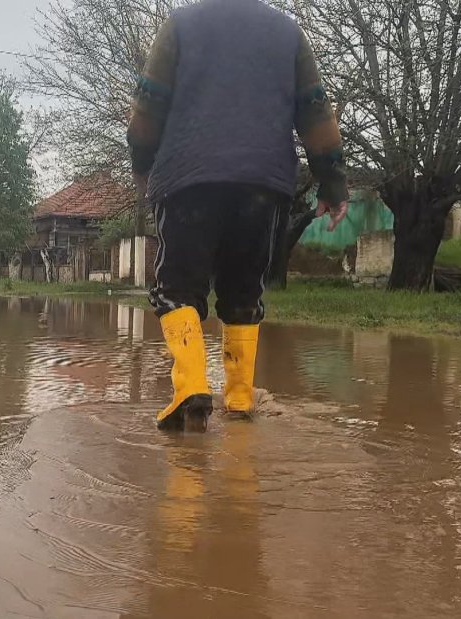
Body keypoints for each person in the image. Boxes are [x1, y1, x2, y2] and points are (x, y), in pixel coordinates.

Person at [128, 0, 348, 432]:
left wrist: (141, 162)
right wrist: (332, 183)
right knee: (245, 291)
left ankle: (191, 387)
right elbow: (316, 109)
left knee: (177, 288)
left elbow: (149, 104)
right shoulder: (289, 33)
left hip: (189, 178)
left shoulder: (180, 26)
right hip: (263, 184)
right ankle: (241, 400)